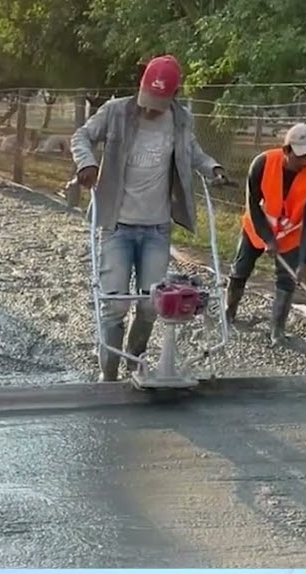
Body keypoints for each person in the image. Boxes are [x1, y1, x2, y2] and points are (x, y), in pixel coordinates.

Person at [70, 55, 228, 382]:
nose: (151, 109)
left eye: (159, 102)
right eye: (147, 99)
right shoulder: (115, 111)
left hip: (156, 228)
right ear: (140, 86)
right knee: (115, 304)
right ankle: (109, 376)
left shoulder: (181, 120)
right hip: (117, 225)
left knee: (150, 304)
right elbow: (81, 136)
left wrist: (213, 169)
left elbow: (193, 153)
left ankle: (134, 360)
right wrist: (86, 163)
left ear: (173, 96)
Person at [225, 123, 306, 345]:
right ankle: (229, 312)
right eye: (301, 155)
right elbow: (253, 204)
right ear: (286, 150)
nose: (305, 161)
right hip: (257, 228)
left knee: (287, 281)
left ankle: (277, 330)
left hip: (289, 236)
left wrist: (305, 262)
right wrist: (267, 238)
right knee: (240, 270)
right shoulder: (262, 163)